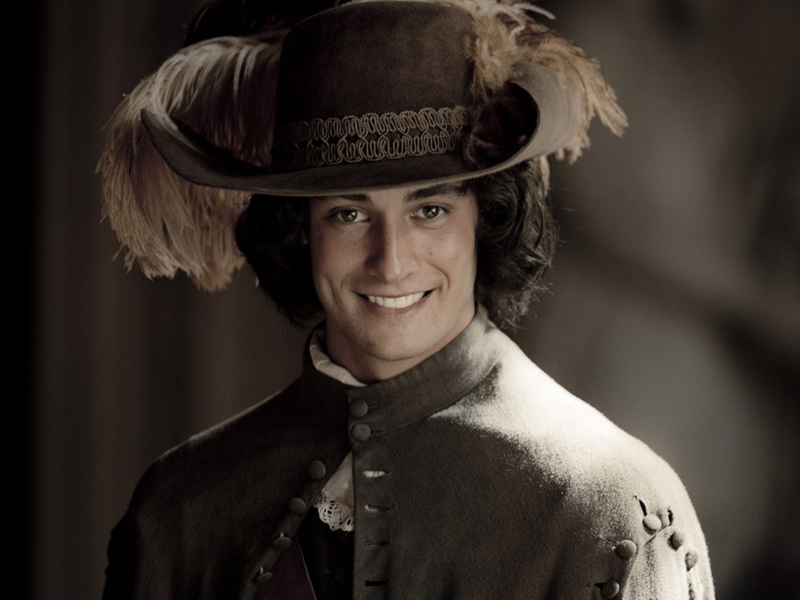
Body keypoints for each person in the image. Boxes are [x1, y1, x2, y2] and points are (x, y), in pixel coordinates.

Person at [99, 1, 714, 599]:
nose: (390, 263)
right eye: (349, 213)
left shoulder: (612, 512)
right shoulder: (175, 513)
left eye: (430, 210)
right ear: (300, 229)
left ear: (485, 217)